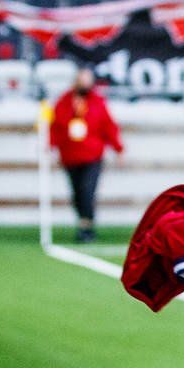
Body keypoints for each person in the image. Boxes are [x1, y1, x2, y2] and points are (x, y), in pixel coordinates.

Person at [48, 66, 123, 243]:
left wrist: (118, 148)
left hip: (92, 155)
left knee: (87, 190)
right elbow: (55, 127)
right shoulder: (64, 101)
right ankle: (83, 221)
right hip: (70, 155)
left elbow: (108, 126)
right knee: (76, 192)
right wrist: (50, 146)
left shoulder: (97, 102)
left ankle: (86, 225)